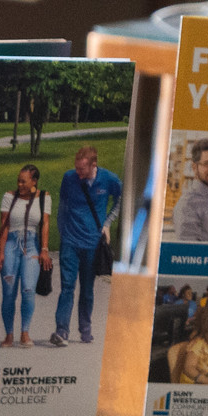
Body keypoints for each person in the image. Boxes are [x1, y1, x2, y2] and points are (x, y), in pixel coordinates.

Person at [51, 144, 121, 346]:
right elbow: (62, 206)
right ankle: (62, 331)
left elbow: (121, 198)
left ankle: (85, 329)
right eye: (76, 167)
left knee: (87, 289)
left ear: (93, 165)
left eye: (82, 169)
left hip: (92, 244)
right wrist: (63, 232)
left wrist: (107, 223)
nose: (78, 172)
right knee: (67, 287)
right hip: (70, 242)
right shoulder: (69, 178)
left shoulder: (109, 179)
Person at [0, 163, 50, 349]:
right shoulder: (8, 197)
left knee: (28, 290)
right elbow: (4, 225)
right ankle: (8, 334)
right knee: (9, 292)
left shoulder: (44, 197)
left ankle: (25, 332)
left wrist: (44, 249)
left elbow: (45, 224)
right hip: (11, 245)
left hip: (32, 246)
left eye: (24, 181)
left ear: (34, 181)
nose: (20, 184)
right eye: (18, 181)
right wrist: (0, 252)